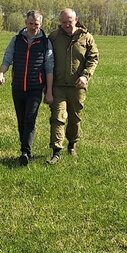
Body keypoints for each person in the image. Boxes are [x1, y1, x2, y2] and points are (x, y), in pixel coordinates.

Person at [0, 11, 54, 165]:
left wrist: (48, 92)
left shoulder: (45, 43)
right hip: (18, 87)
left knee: (30, 118)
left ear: (41, 25)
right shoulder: (16, 40)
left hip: (35, 88)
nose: (33, 27)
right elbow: (7, 58)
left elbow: (49, 67)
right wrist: (1, 73)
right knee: (21, 120)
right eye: (30, 23)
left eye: (36, 24)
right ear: (25, 23)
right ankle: (24, 149)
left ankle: (25, 152)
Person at [46, 8, 99, 164]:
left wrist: (85, 76)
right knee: (58, 117)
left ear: (76, 20)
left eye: (69, 22)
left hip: (77, 86)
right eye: (63, 22)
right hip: (58, 85)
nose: (66, 25)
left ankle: (72, 144)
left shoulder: (86, 37)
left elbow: (93, 58)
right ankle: (56, 151)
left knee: (75, 118)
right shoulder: (54, 37)